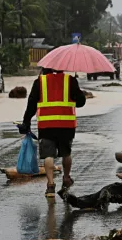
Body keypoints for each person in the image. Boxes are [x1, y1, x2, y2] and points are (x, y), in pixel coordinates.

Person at [19, 68, 87, 200]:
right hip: (66, 125)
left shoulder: (40, 81)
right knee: (66, 153)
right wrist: (75, 92)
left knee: (48, 155)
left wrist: (25, 122)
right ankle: (66, 178)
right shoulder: (70, 80)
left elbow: (31, 104)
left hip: (46, 125)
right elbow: (81, 102)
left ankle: (50, 185)